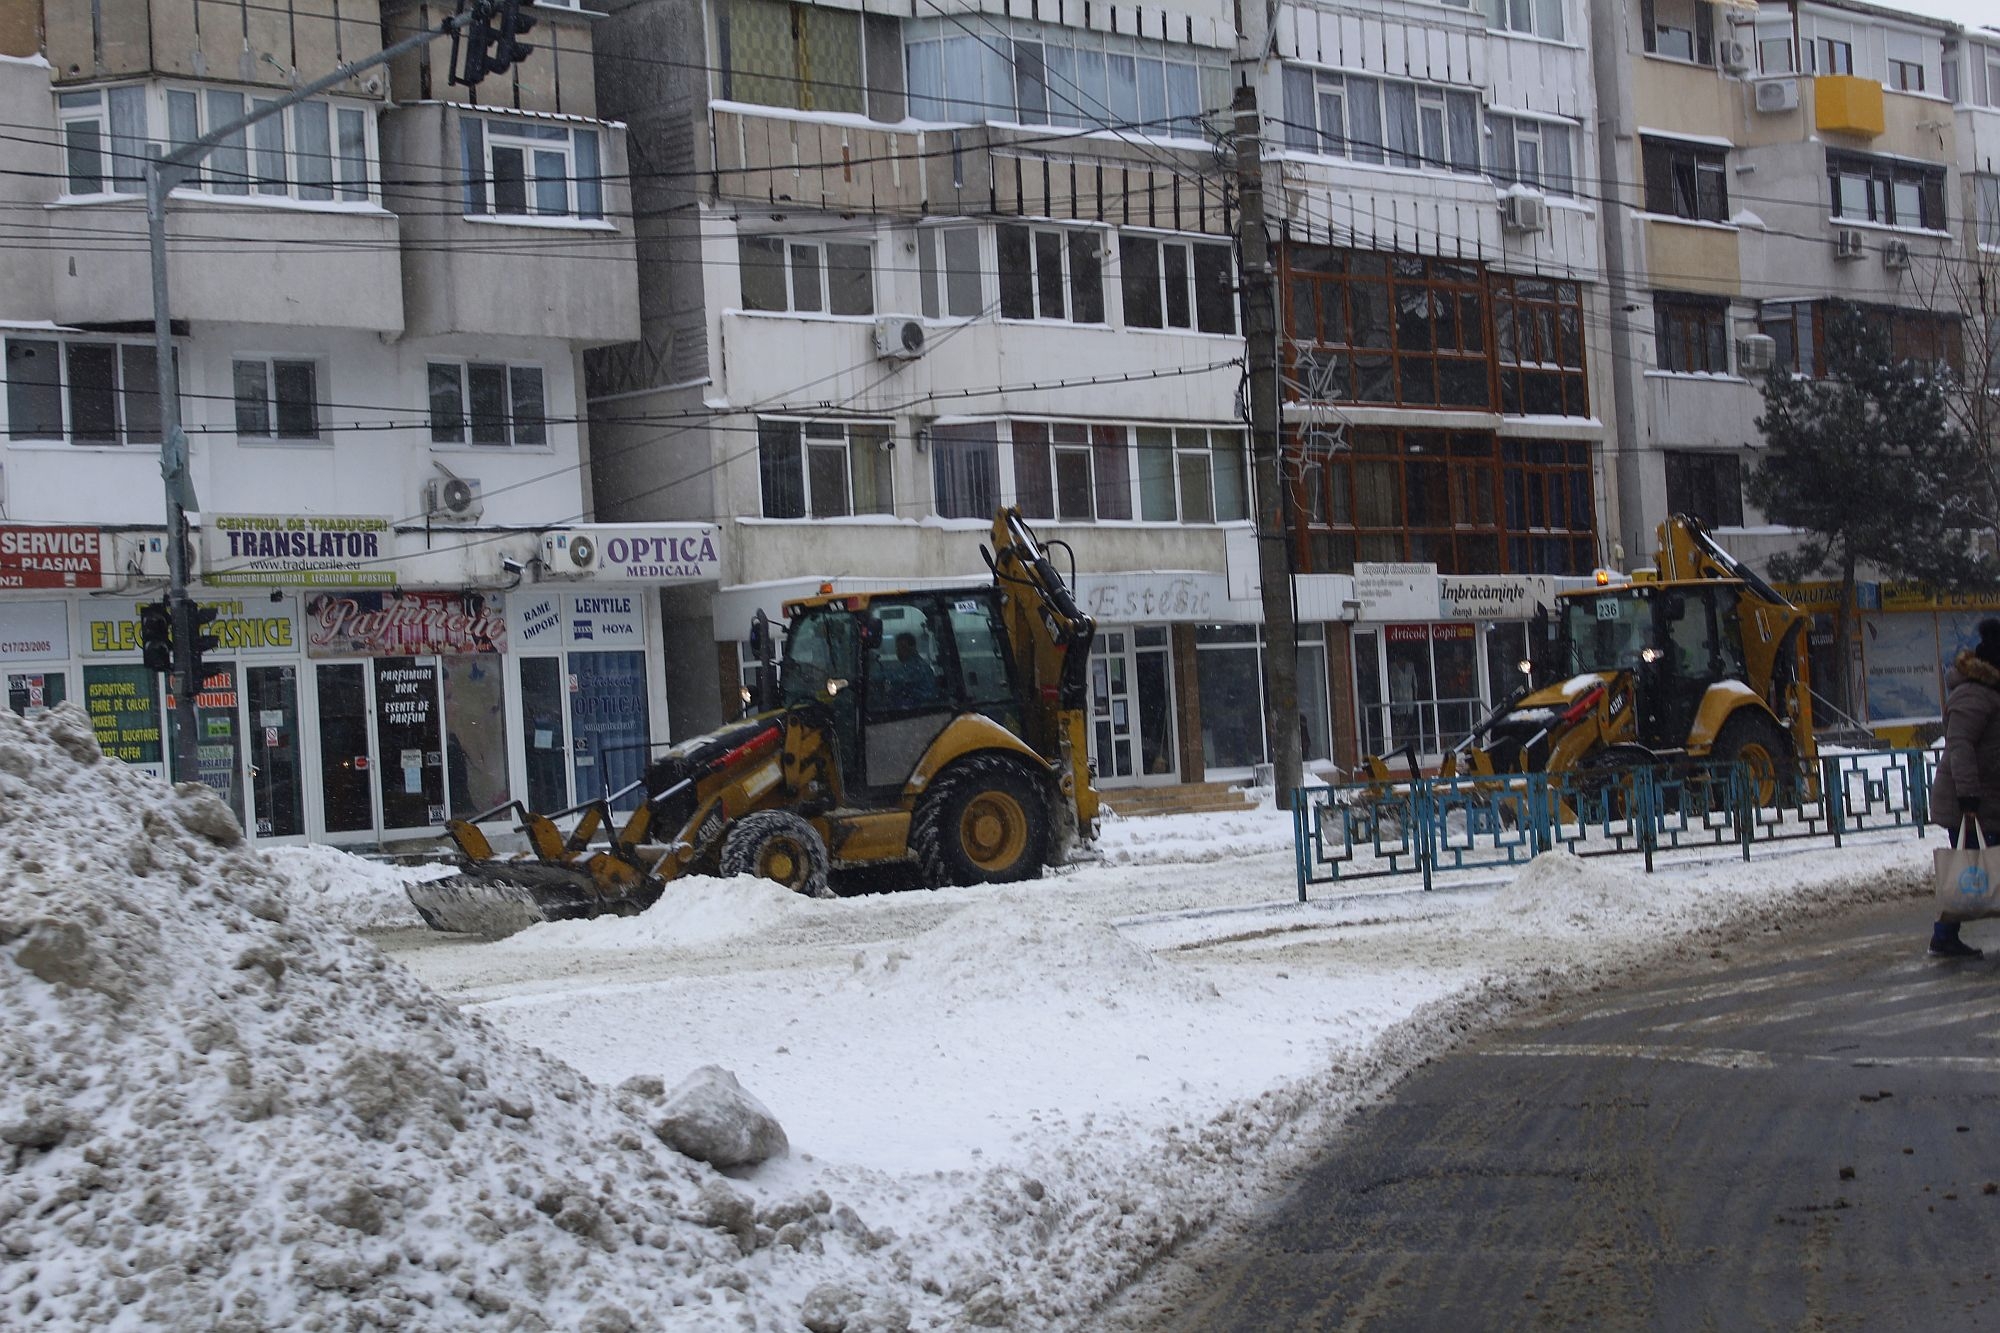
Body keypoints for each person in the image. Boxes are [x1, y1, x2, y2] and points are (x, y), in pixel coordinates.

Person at [1926, 618, 2000, 958]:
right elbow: (1961, 746)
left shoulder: (1990, 693)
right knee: (1970, 867)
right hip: (1971, 800)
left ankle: (1944, 936)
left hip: (1986, 797)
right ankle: (1943, 937)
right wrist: (1968, 798)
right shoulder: (1975, 693)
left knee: (1973, 866)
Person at [878, 632, 937, 708]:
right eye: (898, 648)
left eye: (903, 647)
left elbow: (896, 676)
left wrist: (870, 677)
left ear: (913, 648)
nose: (899, 651)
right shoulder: (910, 665)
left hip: (919, 710)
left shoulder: (916, 666)